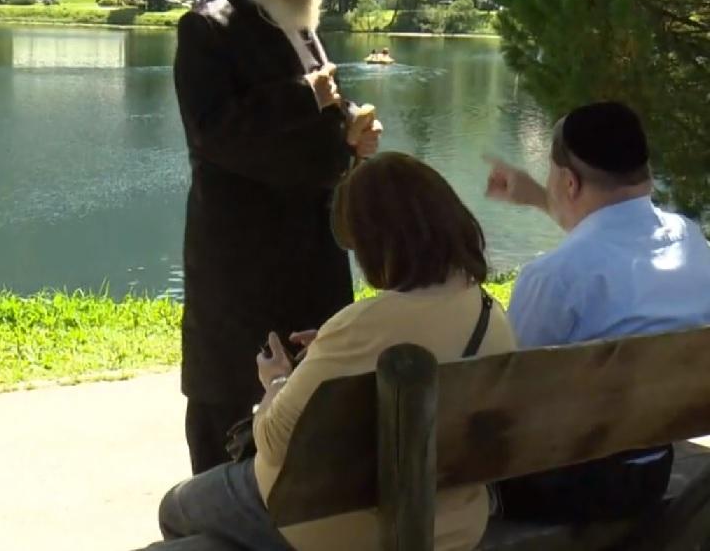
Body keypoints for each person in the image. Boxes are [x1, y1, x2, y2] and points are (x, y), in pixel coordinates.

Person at [139, 152, 517, 551]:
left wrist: (277, 379)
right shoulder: (491, 316)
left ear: (376, 242)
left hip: (339, 530)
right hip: (455, 525)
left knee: (177, 506)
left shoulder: (361, 325)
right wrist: (332, 350)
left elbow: (273, 438)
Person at [173, 0, 383, 474]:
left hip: (314, 256)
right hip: (238, 265)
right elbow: (215, 134)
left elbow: (316, 130)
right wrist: (307, 96)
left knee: (319, 400)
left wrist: (351, 140)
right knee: (228, 413)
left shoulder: (300, 24)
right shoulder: (205, 29)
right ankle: (214, 523)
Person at [484, 100, 710, 521]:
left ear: (569, 183)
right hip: (653, 469)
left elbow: (508, 400)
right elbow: (610, 239)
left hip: (559, 488)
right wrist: (537, 197)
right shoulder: (693, 244)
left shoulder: (551, 279)